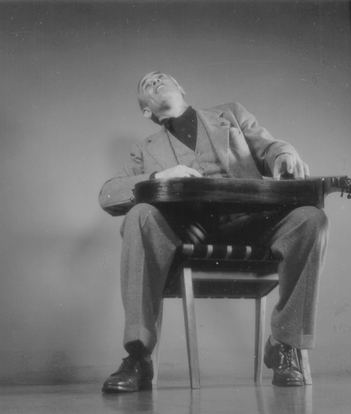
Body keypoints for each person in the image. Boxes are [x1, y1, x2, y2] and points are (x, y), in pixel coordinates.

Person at [99, 71, 329, 393]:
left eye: (161, 77)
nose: (154, 80)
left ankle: (284, 344)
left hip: (253, 224)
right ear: (147, 112)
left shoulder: (231, 114)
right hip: (190, 237)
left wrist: (285, 155)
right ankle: (138, 356)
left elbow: (271, 147)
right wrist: (160, 175)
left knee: (311, 219)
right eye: (146, 84)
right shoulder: (144, 150)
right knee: (140, 215)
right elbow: (109, 194)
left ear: (180, 86)